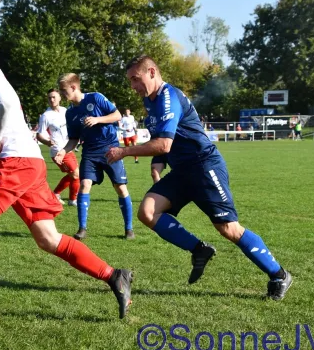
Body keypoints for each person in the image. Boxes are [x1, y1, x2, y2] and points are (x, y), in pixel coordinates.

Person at [0, 10, 132, 328]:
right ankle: (115, 276)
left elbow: (6, 104)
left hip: (16, 163)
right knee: (48, 239)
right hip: (30, 162)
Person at [106, 55, 292, 300]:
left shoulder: (168, 97)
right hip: (182, 172)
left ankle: (279, 275)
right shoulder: (150, 101)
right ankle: (199, 249)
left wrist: (124, 151)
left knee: (228, 228)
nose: (132, 86)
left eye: (135, 78)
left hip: (205, 167)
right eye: (130, 80)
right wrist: (157, 164)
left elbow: (163, 143)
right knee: (148, 212)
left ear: (151, 72)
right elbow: (162, 141)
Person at [55, 73, 135, 241]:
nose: (62, 95)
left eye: (63, 91)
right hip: (90, 152)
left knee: (120, 188)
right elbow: (73, 139)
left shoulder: (96, 98)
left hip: (110, 149)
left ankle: (129, 229)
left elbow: (117, 115)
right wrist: (63, 151)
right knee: (84, 185)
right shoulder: (70, 113)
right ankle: (82, 228)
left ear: (74, 87)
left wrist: (98, 119)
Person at [36, 88, 80, 206]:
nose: (51, 99)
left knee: (74, 175)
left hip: (68, 148)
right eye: (49, 97)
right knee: (76, 174)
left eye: (54, 97)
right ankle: (69, 198)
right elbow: (39, 135)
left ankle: (66, 197)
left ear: (60, 98)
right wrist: (47, 142)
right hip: (57, 150)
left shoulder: (65, 111)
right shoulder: (46, 116)